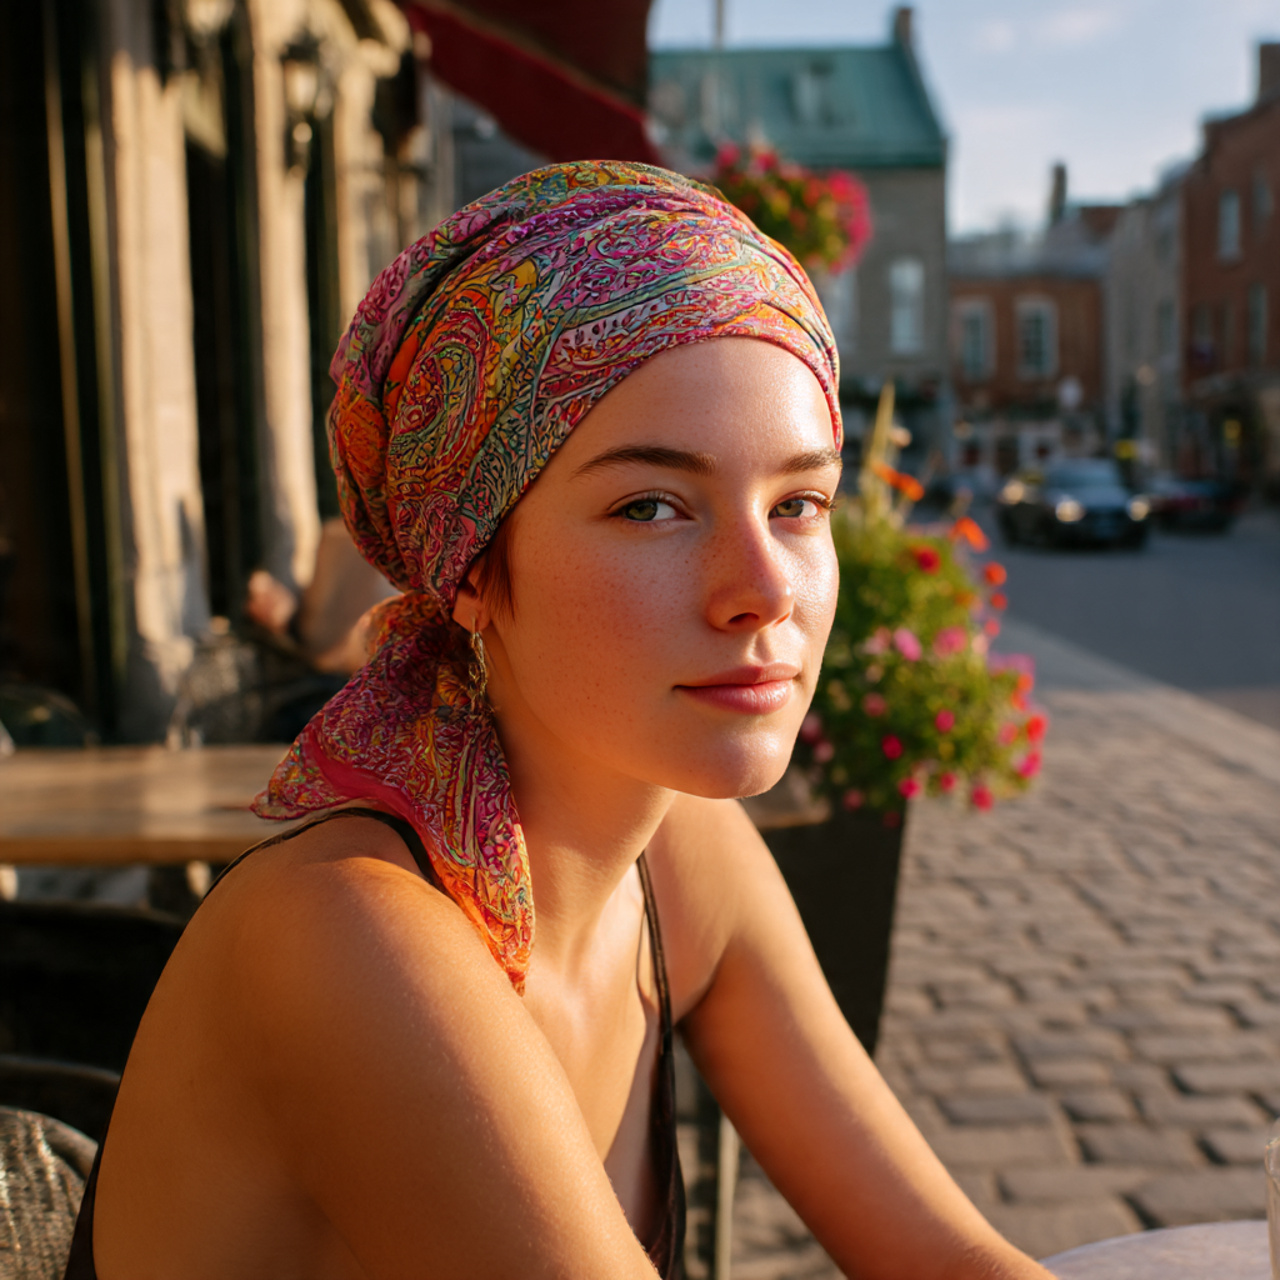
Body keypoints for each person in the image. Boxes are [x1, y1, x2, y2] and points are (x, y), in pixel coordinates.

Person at [65, 162, 1053, 1279]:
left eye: (798, 503)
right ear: (472, 567)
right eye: (650, 506)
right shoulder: (354, 938)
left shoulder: (677, 851)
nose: (763, 585)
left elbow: (946, 1256)